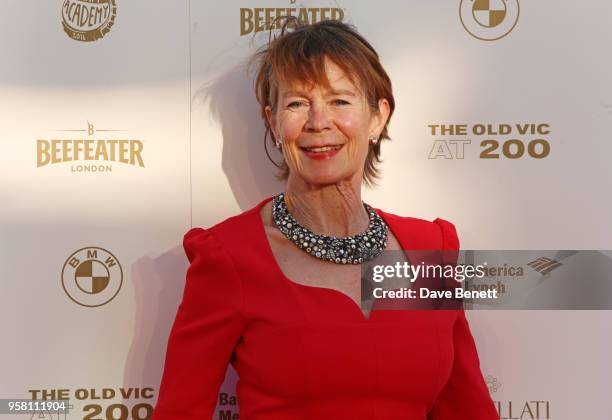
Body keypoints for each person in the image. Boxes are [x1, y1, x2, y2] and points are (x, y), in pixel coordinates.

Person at [152, 18, 498, 420]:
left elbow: (467, 408)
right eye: (297, 103)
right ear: (273, 121)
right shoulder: (228, 257)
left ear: (377, 117)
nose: (318, 122)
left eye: (339, 100)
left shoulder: (430, 247)